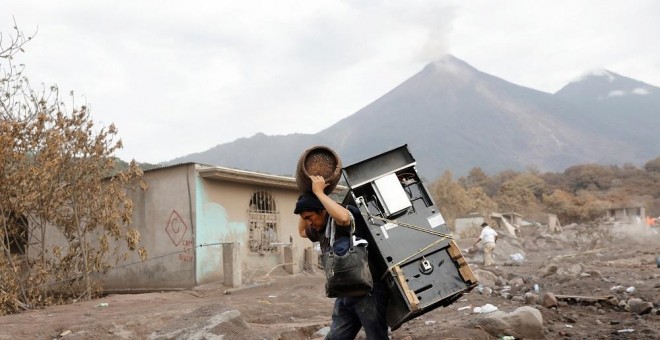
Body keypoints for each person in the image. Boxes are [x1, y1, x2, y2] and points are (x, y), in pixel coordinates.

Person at [295, 175, 389, 339]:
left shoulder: (343, 215)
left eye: (310, 217)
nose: (309, 222)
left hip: (368, 293)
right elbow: (302, 232)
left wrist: (319, 193)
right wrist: (305, 195)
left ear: (322, 210)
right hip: (345, 295)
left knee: (376, 337)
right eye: (305, 219)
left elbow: (345, 218)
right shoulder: (321, 229)